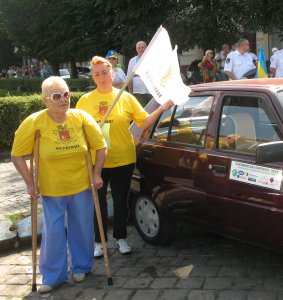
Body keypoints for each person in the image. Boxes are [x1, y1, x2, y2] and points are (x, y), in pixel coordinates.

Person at [11, 76, 107, 294]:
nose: (64, 99)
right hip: (52, 189)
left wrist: (97, 173)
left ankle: (82, 267)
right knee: (54, 232)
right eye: (57, 96)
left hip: (81, 185)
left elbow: (100, 146)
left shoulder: (81, 118)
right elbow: (17, 155)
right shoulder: (34, 122)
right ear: (46, 100)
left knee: (82, 227)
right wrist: (29, 183)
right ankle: (54, 276)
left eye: (66, 94)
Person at [76, 56, 174, 258]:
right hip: (96, 162)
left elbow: (144, 123)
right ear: (93, 77)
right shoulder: (85, 101)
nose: (102, 77)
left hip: (123, 159)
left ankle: (121, 237)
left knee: (121, 201)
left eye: (105, 72)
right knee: (98, 202)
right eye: (97, 74)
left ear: (112, 73)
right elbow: (77, 129)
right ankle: (98, 241)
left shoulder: (125, 97)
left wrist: (161, 108)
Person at [127, 41, 153, 107]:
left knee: (153, 112)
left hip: (152, 91)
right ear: (136, 49)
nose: (141, 49)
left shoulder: (152, 59)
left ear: (146, 48)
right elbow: (129, 78)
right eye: (139, 48)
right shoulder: (132, 61)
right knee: (141, 112)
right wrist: (130, 93)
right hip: (138, 92)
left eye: (142, 47)